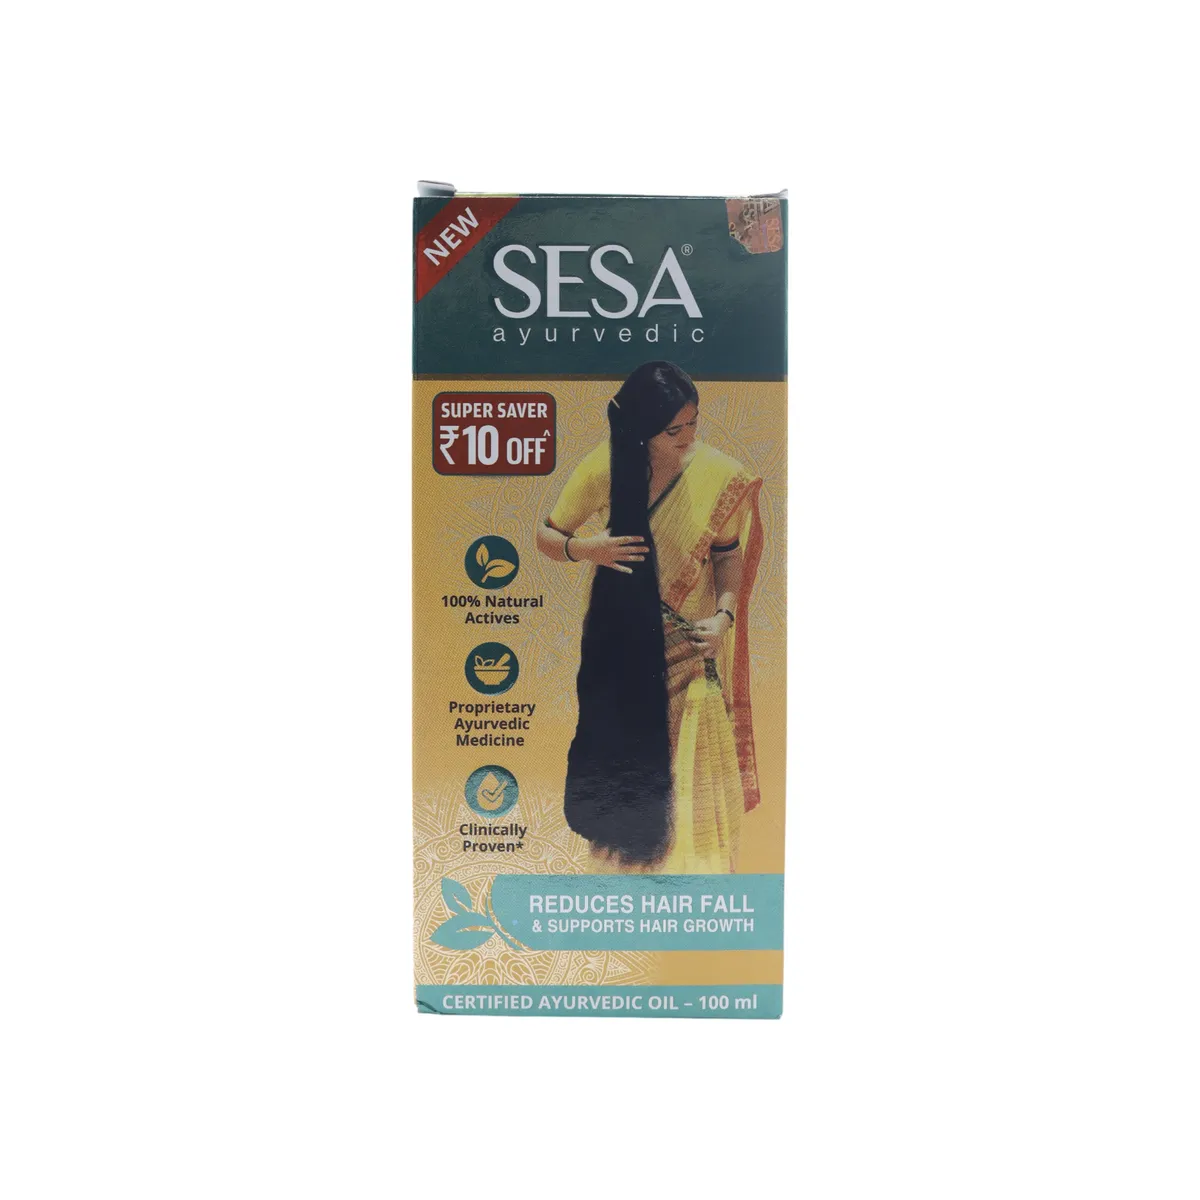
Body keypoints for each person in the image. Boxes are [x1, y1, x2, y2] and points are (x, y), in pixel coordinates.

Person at [535, 361, 764, 873]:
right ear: (641, 429)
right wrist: (585, 548)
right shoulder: (603, 468)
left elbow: (727, 555)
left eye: (693, 423)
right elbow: (546, 535)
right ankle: (624, 884)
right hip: (620, 649)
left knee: (692, 783)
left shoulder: (717, 475)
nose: (688, 438)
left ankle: (694, 891)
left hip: (692, 647)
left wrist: (723, 616)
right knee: (622, 776)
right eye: (673, 431)